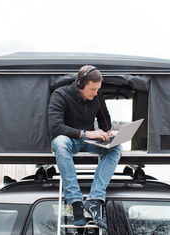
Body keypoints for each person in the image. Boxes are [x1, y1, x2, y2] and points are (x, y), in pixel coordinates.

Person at [48, 65, 122, 229]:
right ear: (80, 84)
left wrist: (108, 134)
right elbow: (55, 128)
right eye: (92, 89)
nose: (95, 93)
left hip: (89, 141)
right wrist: (87, 134)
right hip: (69, 141)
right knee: (59, 142)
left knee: (117, 147)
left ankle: (94, 200)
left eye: (98, 89)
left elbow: (104, 120)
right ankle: (76, 203)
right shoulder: (60, 95)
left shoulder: (97, 96)